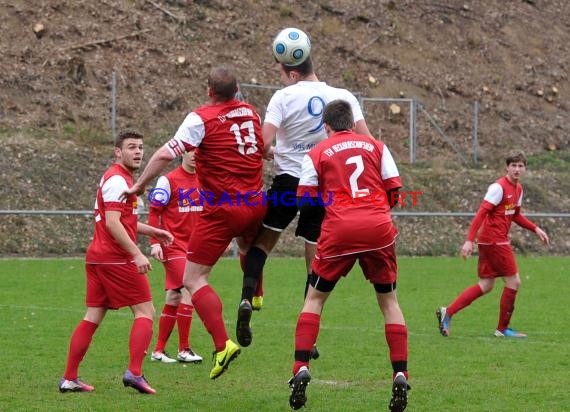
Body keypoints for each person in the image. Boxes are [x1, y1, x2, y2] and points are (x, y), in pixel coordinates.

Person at [126, 66, 266, 380]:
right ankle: (254, 294)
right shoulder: (251, 113)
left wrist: (141, 184)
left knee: (193, 279)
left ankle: (223, 345)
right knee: (248, 244)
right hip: (256, 201)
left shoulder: (200, 118)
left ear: (209, 91)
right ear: (237, 90)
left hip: (222, 208)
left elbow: (165, 153)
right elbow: (261, 145)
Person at [237, 51, 374, 351]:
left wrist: (271, 152)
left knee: (262, 243)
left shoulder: (283, 97)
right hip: (323, 185)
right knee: (315, 259)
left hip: (288, 181)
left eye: (280, 71)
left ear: (293, 73)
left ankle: (247, 297)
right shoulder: (341, 95)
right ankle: (307, 333)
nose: (280, 76)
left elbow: (264, 142)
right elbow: (367, 141)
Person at [287, 100, 410, 411]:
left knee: (314, 299)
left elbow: (304, 200)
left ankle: (301, 367)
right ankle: (399, 373)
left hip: (339, 230)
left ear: (326, 127)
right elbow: (395, 190)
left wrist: (334, 210)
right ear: (354, 124)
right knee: (389, 303)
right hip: (378, 230)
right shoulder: (378, 147)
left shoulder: (315, 153)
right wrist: (376, 212)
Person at [59, 129, 174, 395]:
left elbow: (123, 220)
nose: (138, 152)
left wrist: (152, 231)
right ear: (118, 152)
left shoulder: (122, 180)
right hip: (115, 259)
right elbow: (112, 223)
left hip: (99, 258)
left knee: (92, 317)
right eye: (131, 147)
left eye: (141, 147)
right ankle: (134, 373)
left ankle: (69, 378)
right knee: (145, 312)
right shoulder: (117, 180)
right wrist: (136, 253)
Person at [437, 151, 549, 338]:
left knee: (486, 285)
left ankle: (447, 312)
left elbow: (516, 215)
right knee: (514, 281)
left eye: (520, 166)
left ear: (525, 168)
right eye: (513, 165)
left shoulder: (518, 189)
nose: (517, 169)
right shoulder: (498, 188)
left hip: (492, 241)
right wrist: (469, 240)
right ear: (507, 167)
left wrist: (535, 229)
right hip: (495, 241)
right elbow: (481, 213)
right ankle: (502, 329)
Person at [147, 150, 203, 364]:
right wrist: (154, 243)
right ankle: (184, 349)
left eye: (200, 150)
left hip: (195, 248)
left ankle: (158, 351)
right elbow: (154, 211)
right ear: (183, 153)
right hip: (172, 246)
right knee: (190, 288)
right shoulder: (168, 180)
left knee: (174, 296)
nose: (196, 154)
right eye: (191, 150)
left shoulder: (206, 178)